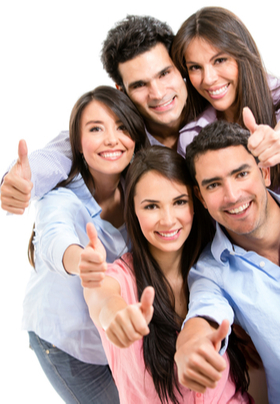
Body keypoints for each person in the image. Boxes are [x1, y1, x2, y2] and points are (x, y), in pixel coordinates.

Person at [1, 12, 280, 214]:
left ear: (180, 67)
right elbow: (65, 150)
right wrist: (22, 180)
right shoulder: (122, 132)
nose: (158, 93)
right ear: (121, 90)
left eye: (164, 73)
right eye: (140, 85)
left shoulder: (212, 93)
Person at [82, 146, 252, 404]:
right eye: (151, 206)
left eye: (179, 202)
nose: (168, 220)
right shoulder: (120, 278)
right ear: (134, 211)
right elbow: (102, 298)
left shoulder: (216, 266)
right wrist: (116, 317)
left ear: (195, 203)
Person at [21, 86, 146, 403]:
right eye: (96, 129)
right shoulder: (61, 198)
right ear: (76, 143)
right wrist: (80, 261)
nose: (111, 139)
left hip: (112, 337)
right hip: (65, 343)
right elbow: (54, 238)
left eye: (121, 127)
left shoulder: (141, 191)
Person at [174, 120, 280, 404]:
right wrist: (192, 347)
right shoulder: (210, 273)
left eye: (241, 174)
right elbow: (204, 317)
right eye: (213, 185)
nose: (232, 196)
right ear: (201, 198)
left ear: (265, 172)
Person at [171, 6, 280, 191]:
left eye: (220, 60)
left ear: (242, 56)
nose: (208, 79)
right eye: (195, 67)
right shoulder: (191, 136)